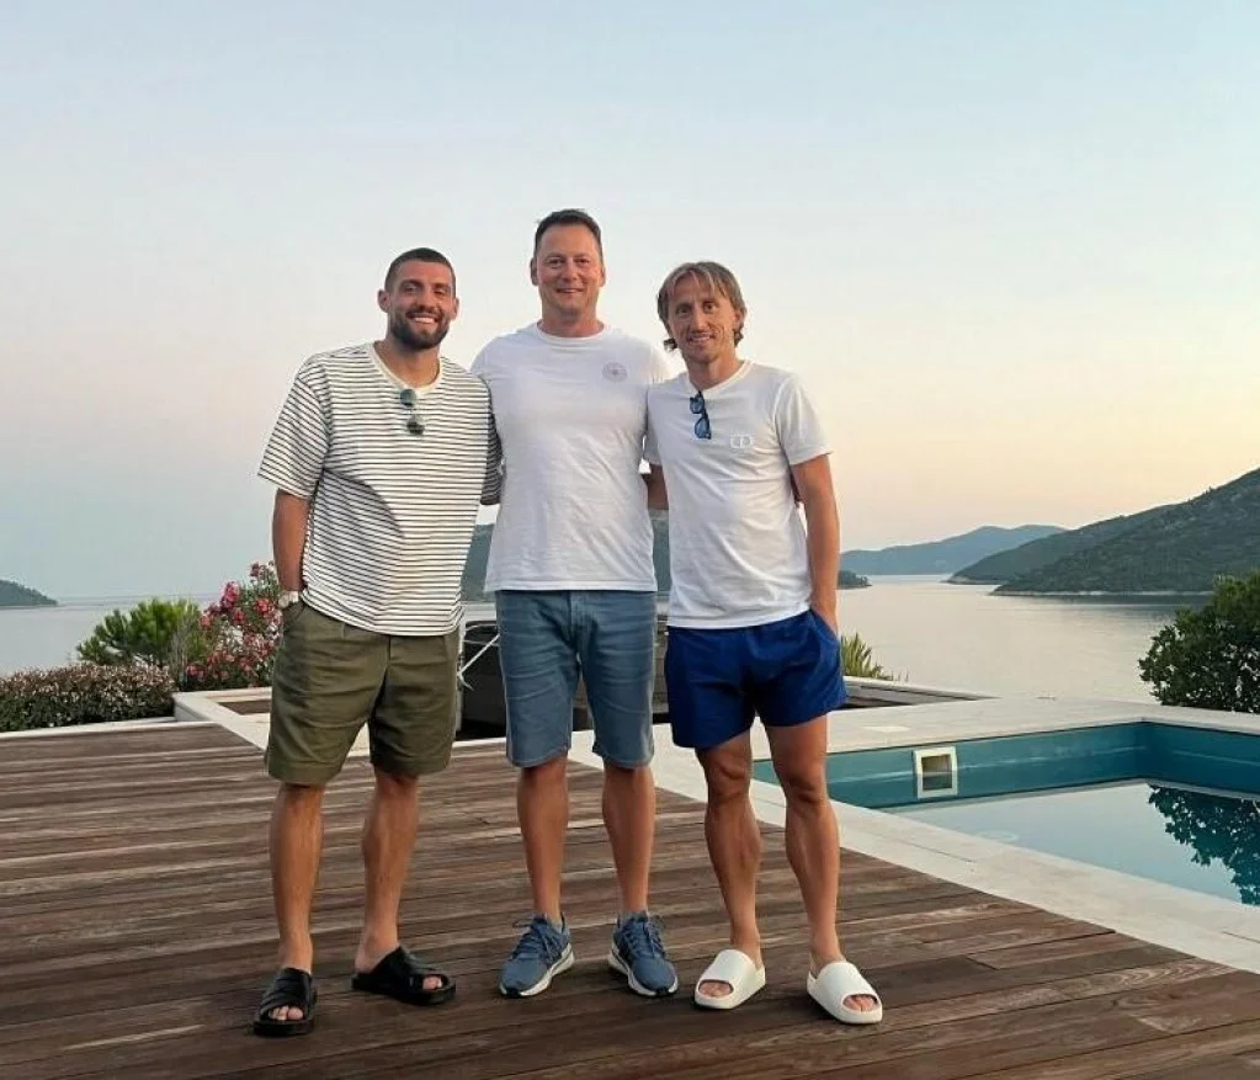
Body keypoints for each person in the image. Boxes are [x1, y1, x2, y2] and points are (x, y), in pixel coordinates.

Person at [252, 247, 499, 1036]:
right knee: (304, 784)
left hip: (429, 629)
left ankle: (377, 946)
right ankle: (295, 957)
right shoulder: (328, 376)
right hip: (334, 618)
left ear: (456, 307)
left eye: (440, 291)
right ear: (385, 298)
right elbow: (293, 494)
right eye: (412, 288)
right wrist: (295, 601)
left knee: (402, 783)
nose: (426, 300)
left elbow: (510, 483)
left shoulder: (475, 399)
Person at [644, 260, 882, 1024]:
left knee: (807, 784)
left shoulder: (780, 390)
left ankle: (826, 952)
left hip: (785, 624)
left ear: (737, 315)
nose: (696, 320)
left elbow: (820, 498)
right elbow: (661, 484)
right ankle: (744, 944)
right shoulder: (658, 404)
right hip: (701, 629)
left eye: (709, 305)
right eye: (682, 309)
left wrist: (823, 611)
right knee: (725, 786)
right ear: (669, 326)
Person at [471, 209, 678, 999]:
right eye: (554, 260)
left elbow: (671, 472)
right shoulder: (499, 360)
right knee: (541, 759)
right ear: (533, 272)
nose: (569, 272)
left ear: (603, 271)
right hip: (526, 580)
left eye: (581, 260)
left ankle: (634, 922)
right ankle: (548, 924)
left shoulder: (639, 359)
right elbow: (477, 470)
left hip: (622, 582)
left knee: (629, 757)